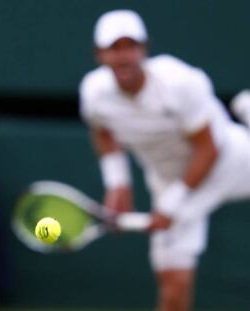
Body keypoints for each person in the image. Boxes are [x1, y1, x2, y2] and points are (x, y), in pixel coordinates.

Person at [79, 10, 250, 311]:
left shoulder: (180, 82)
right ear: (99, 55)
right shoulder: (94, 94)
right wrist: (117, 184)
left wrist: (172, 202)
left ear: (143, 49)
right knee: (173, 286)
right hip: (169, 180)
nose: (124, 57)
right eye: (114, 48)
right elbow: (103, 133)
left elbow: (207, 149)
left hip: (230, 162)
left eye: (130, 46)